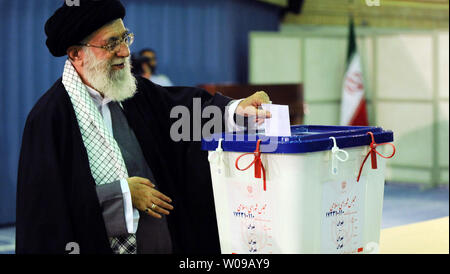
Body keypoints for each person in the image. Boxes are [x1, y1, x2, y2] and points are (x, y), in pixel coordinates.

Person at [16, 0, 271, 254]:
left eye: (125, 38)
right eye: (111, 43)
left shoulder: (134, 92)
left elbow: (183, 111)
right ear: (75, 54)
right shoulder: (49, 118)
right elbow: (47, 211)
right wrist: (122, 195)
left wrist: (236, 109)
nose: (125, 52)